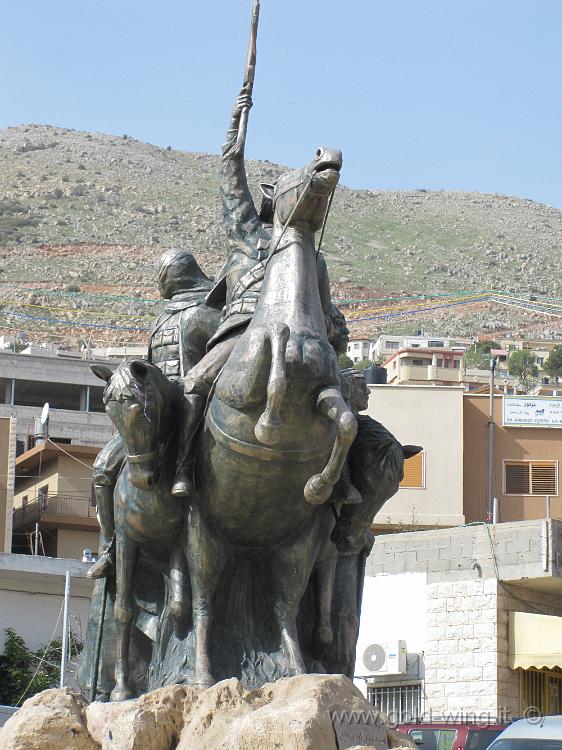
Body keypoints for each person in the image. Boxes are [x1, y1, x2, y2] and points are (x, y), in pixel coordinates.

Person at [171, 85, 334, 497]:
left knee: (350, 405)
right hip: (243, 333)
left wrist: (339, 341)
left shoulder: (313, 260)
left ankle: (343, 487)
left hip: (307, 339)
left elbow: (330, 315)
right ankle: (183, 465)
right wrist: (236, 124)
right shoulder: (246, 236)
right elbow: (230, 177)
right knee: (194, 383)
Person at [88, 249, 221, 579]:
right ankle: (109, 548)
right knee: (103, 467)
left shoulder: (206, 313)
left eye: (161, 276)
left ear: (172, 276)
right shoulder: (163, 317)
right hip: (152, 411)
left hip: (194, 408)